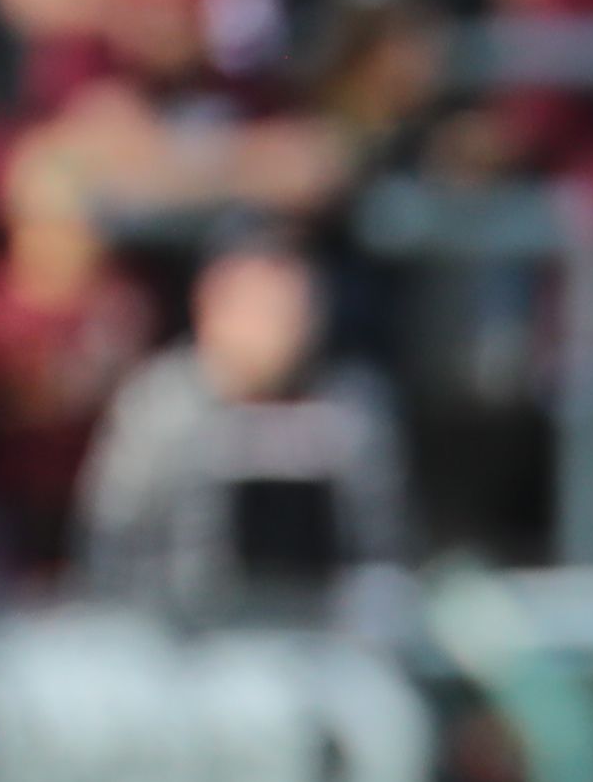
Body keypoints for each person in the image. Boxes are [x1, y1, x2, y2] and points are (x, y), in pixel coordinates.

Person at [73, 236, 409, 606]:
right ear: (209, 312)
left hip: (321, 637)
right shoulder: (158, 406)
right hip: (178, 636)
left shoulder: (352, 408)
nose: (278, 331)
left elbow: (384, 551)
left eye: (292, 312)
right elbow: (111, 544)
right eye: (258, 311)